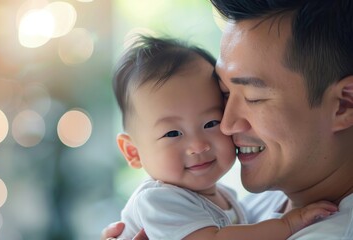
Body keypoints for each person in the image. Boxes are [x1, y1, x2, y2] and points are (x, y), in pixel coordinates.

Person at [102, 0, 353, 239]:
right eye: (225, 93)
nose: (226, 123)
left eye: (253, 97)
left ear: (343, 105)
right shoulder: (261, 202)